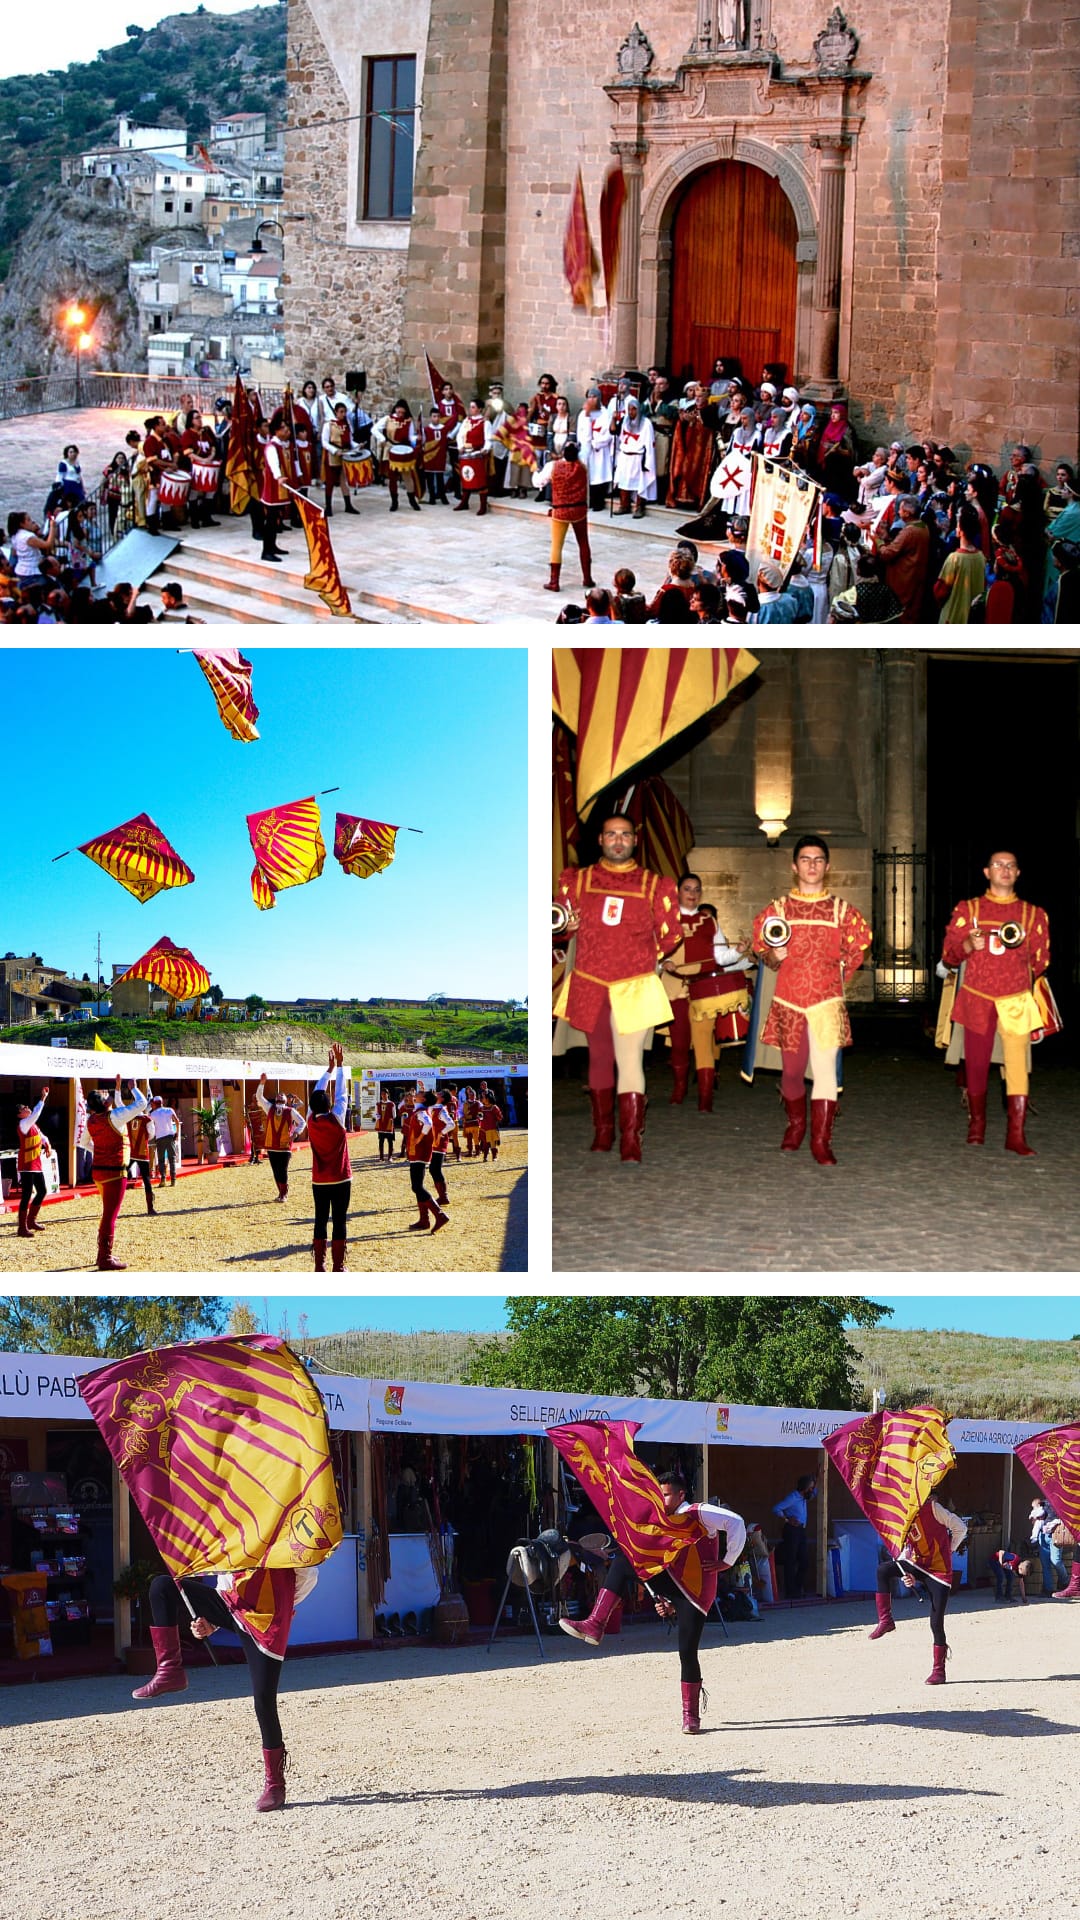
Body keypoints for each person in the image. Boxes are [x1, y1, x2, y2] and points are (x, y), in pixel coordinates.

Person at [559, 1467, 746, 1734]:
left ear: (681, 1494)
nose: (662, 1500)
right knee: (625, 1561)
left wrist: (727, 1562)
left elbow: (736, 1522)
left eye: (667, 1495)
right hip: (674, 1584)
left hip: (696, 1593)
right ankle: (596, 1622)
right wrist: (663, 1597)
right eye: (660, 1495)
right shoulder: (661, 1521)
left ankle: (690, 1716)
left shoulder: (697, 1512)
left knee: (687, 1652)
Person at [132, 1564, 317, 1811]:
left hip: (267, 1619)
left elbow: (307, 1577)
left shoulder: (283, 1540)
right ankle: (170, 1669)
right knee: (162, 1586)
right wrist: (211, 1624)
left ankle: (275, 1784)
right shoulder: (236, 1535)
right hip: (234, 1607)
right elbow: (226, 1582)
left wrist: (279, 1606)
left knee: (264, 1701)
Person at [555, 815, 679, 1163]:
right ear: (601, 840)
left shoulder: (655, 885)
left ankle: (631, 1138)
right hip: (592, 983)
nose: (618, 840)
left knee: (630, 1061)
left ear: (635, 840)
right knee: (598, 1060)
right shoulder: (576, 881)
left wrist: (646, 959)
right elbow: (558, 925)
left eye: (625, 834)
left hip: (634, 985)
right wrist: (567, 928)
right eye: (612, 834)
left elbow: (671, 933)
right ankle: (603, 1131)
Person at [750, 835, 873, 1165]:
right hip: (789, 1001)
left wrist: (836, 977)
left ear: (827, 866)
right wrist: (774, 955)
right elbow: (759, 946)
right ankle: (796, 1125)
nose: (812, 865)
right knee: (791, 1073)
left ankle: (821, 1140)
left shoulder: (842, 911)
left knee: (825, 1072)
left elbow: (858, 948)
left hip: (826, 1002)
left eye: (818, 859)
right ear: (794, 866)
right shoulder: (778, 909)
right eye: (805, 859)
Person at [940, 852, 1050, 1154]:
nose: (1005, 869)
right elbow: (949, 956)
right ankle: (977, 1124)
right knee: (975, 1065)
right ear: (987, 872)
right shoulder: (970, 909)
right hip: (978, 998)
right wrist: (966, 945)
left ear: (1018, 873)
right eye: (999, 865)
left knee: (1016, 1067)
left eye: (1011, 865)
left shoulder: (1032, 914)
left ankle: (1016, 1134)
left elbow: (1041, 962)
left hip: (1015, 999)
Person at [869, 1493, 967, 1685]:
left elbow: (960, 1528)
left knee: (936, 1623)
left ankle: (939, 1670)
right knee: (884, 1570)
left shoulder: (933, 1508)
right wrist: (909, 1575)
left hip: (939, 1571)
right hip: (919, 1563)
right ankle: (886, 1619)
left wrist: (949, 1550)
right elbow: (907, 1547)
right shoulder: (902, 1514)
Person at [86, 1076, 150, 1272]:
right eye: (106, 1094)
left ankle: (102, 1255)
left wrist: (100, 1151)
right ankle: (105, 1257)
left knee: (107, 1214)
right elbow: (141, 1104)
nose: (109, 1095)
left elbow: (82, 1142)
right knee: (109, 1216)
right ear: (106, 1102)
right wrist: (133, 1088)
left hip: (98, 1171)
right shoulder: (114, 1116)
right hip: (115, 1172)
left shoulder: (92, 1120)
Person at [306, 1043, 350, 1273]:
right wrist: (340, 1066)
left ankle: (319, 1265)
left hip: (319, 1180)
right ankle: (338, 1266)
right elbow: (343, 1093)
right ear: (329, 1104)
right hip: (341, 1178)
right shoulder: (338, 1119)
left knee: (320, 1220)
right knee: (340, 1221)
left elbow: (319, 1093)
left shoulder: (310, 1121)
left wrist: (329, 1070)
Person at [533, 437, 594, 592]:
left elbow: (539, 482)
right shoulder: (583, 467)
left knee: (556, 545)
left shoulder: (553, 466)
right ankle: (587, 578)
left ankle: (554, 581)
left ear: (563, 453)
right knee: (584, 543)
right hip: (579, 509)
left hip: (560, 510)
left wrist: (535, 472)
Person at [874, 496, 930, 622]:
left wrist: (878, 541)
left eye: (900, 510)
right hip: (915, 579)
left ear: (907, 513)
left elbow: (887, 554)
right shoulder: (923, 527)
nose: (898, 512)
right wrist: (887, 538)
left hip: (904, 581)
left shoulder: (909, 531)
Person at [403, 1090, 450, 1233]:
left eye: (418, 1093)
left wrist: (419, 1138)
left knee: (417, 1186)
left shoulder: (422, 1112)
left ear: (422, 1098)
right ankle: (424, 1219)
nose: (414, 1095)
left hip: (419, 1152)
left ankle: (439, 1215)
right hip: (418, 1152)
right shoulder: (421, 1109)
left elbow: (428, 1123)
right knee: (417, 1186)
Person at [934, 502, 986, 622]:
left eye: (958, 526)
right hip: (972, 616)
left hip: (953, 614)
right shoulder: (981, 557)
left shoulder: (955, 559)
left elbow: (940, 591)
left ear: (961, 531)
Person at [255, 1076, 305, 1198]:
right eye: (278, 1101)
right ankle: (281, 1191)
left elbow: (302, 1122)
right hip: (272, 1146)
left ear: (285, 1102)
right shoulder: (270, 1108)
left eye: (281, 1101)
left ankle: (283, 1192)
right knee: (276, 1171)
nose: (279, 1104)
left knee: (282, 1170)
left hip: (285, 1145)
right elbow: (259, 1098)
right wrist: (262, 1083)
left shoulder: (290, 1111)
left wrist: (295, 1134)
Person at [772, 1474, 816, 1600]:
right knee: (790, 1560)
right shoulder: (793, 1497)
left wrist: (818, 1477)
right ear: (804, 1487)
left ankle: (797, 1587)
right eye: (810, 1488)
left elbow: (815, 1492)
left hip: (801, 1530)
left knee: (804, 1560)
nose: (812, 1491)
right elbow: (776, 1508)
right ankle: (791, 1591)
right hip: (792, 1530)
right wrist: (787, 1519)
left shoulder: (804, 1497)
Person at [15, 1086, 50, 1239]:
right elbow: (36, 1113)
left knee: (42, 1191)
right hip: (27, 1164)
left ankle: (31, 1221)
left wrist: (48, 1145)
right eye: (24, 1108)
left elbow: (42, 1136)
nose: (27, 1108)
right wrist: (42, 1098)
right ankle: (22, 1227)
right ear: (19, 1115)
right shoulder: (23, 1124)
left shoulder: (32, 1124)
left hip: (36, 1163)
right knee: (26, 1194)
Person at [612, 396, 656, 517]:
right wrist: (613, 418)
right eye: (629, 409)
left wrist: (648, 461)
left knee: (640, 483)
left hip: (638, 457)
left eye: (634, 409)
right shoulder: (625, 420)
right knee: (623, 481)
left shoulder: (646, 423)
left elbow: (649, 443)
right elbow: (614, 432)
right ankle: (624, 505)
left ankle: (639, 507)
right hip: (625, 455)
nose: (631, 412)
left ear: (638, 409)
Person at [377, 399, 422, 511]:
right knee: (392, 477)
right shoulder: (388, 419)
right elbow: (375, 429)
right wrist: (382, 438)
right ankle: (394, 502)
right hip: (391, 449)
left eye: (403, 413)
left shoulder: (408, 421)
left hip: (404, 449)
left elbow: (411, 437)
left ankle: (412, 500)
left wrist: (417, 438)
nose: (401, 414)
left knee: (407, 476)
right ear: (396, 409)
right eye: (399, 412)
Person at [321, 401, 360, 517]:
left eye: (345, 412)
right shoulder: (328, 425)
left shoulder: (347, 424)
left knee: (344, 481)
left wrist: (357, 446)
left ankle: (348, 505)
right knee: (330, 481)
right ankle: (328, 506)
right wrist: (334, 450)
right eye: (341, 412)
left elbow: (350, 440)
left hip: (345, 454)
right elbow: (324, 442)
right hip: (333, 455)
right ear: (336, 412)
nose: (343, 414)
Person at [454, 400, 493, 514]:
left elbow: (488, 439)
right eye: (470, 407)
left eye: (473, 407)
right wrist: (460, 446)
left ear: (480, 409)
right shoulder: (466, 421)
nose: (471, 409)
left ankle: (483, 506)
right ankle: (464, 502)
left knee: (480, 480)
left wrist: (485, 449)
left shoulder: (485, 423)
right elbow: (460, 436)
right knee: (466, 478)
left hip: (478, 455)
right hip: (466, 454)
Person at [126, 1094, 157, 1220]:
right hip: (142, 1152)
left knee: (120, 1176)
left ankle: (112, 1206)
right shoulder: (147, 1119)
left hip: (129, 1151)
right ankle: (150, 1207)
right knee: (146, 1179)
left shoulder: (127, 1117)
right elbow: (151, 1134)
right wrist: (143, 1140)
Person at [146, 1094, 181, 1187]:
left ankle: (163, 1179)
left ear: (155, 1104)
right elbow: (177, 1121)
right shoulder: (169, 1110)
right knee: (172, 1159)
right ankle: (173, 1180)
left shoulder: (152, 1114)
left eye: (152, 1104)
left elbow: (148, 1123)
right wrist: (177, 1133)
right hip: (170, 1136)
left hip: (159, 1138)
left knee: (161, 1160)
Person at [479, 1090, 502, 1162]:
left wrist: (496, 1118)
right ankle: (485, 1157)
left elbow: (500, 1117)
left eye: (484, 1098)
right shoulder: (482, 1108)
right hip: (484, 1128)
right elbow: (479, 1117)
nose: (482, 1099)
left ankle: (494, 1156)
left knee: (492, 1143)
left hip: (492, 1128)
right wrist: (480, 1116)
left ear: (487, 1099)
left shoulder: (494, 1107)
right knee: (485, 1144)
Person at [375, 1087, 397, 1160]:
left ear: (388, 1094)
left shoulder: (392, 1104)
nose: (383, 1095)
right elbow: (376, 1113)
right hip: (381, 1125)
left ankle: (390, 1156)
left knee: (390, 1141)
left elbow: (394, 1115)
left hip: (388, 1125)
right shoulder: (378, 1104)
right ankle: (381, 1157)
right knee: (381, 1141)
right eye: (382, 1094)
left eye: (385, 1094)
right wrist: (378, 1117)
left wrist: (389, 1119)